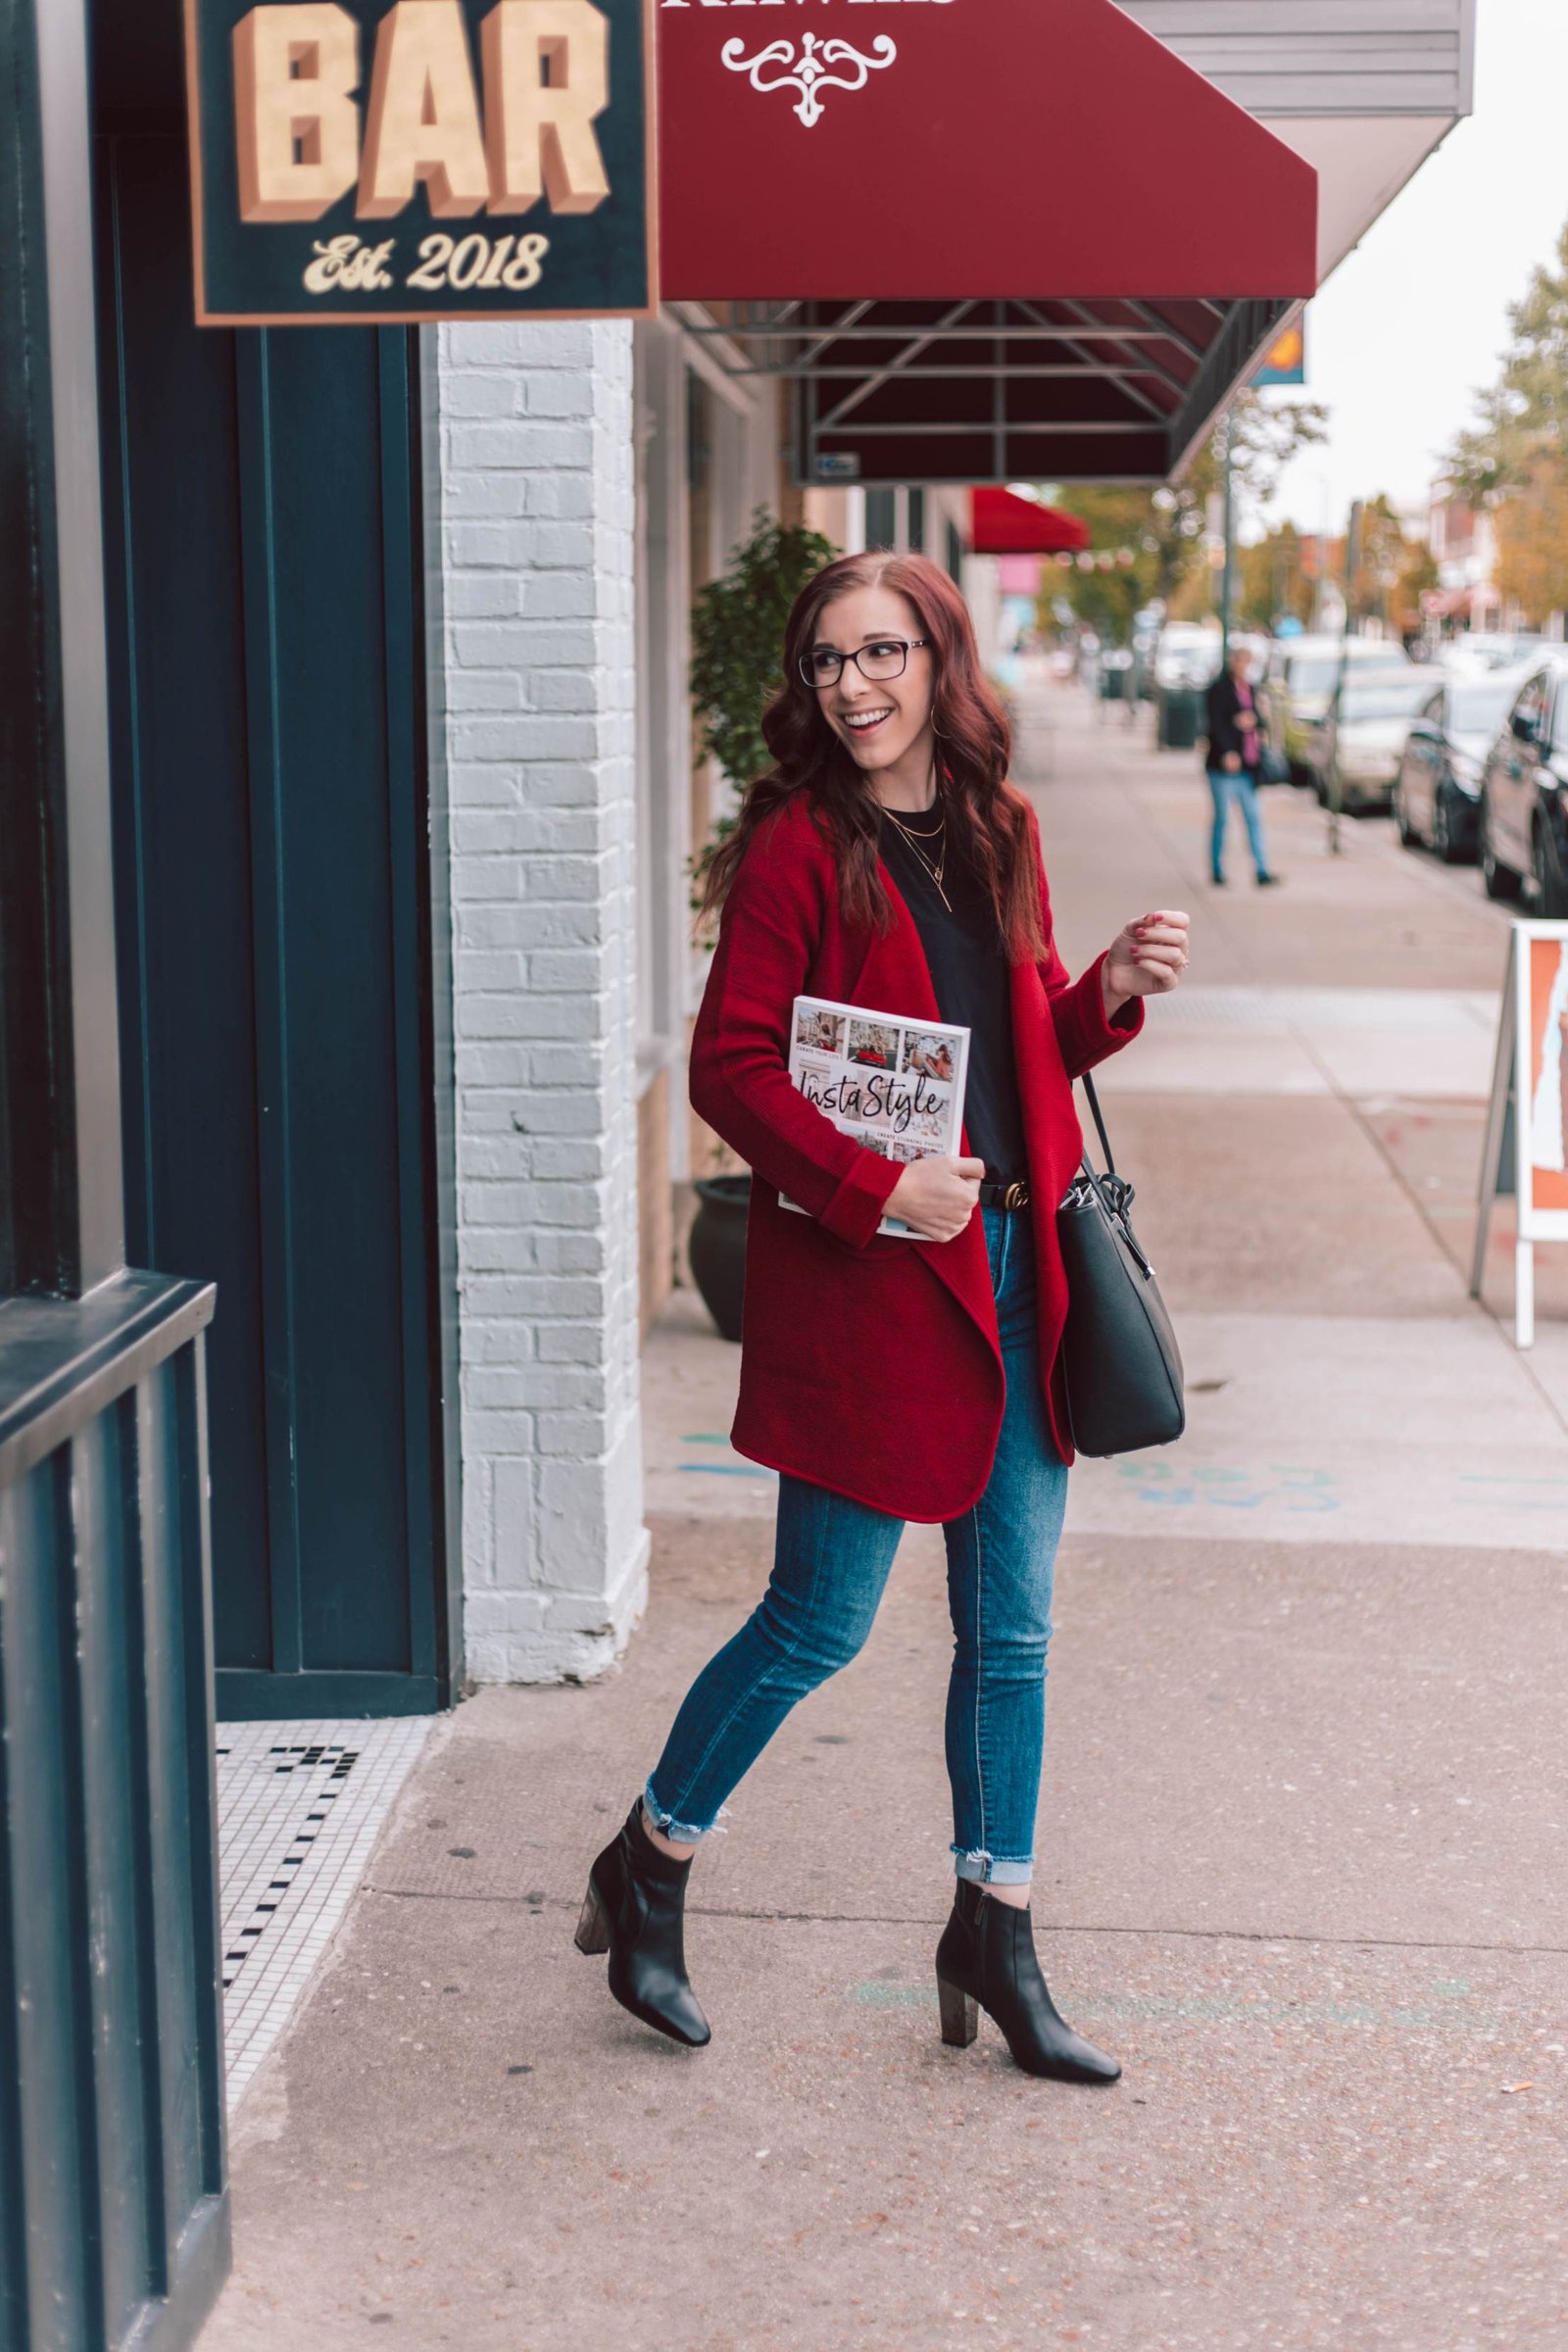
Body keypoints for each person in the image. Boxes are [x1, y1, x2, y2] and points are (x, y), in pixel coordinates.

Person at [575, 553, 1191, 2083]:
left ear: (940, 659)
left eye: (882, 654)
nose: (853, 686)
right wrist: (871, 1188)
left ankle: (998, 1930)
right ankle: (648, 1861)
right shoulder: (794, 846)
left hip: (1014, 1276)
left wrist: (1104, 986)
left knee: (1015, 1636)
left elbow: (1024, 1035)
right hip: (874, 1283)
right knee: (820, 1622)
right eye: (828, 661)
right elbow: (732, 1069)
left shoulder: (1002, 825)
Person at [1204, 644, 1281, 887]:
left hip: (1248, 767)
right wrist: (1228, 748)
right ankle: (1216, 868)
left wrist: (1253, 720)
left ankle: (1261, 869)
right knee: (1222, 819)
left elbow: (1260, 719)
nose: (1242, 667)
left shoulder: (1250, 689)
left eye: (1246, 662)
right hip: (1223, 767)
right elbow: (1215, 723)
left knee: (1253, 818)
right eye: (1239, 661)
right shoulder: (1219, 689)